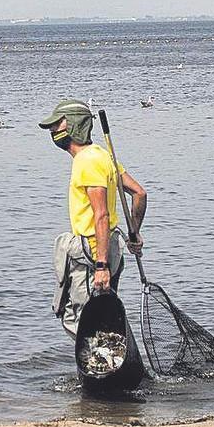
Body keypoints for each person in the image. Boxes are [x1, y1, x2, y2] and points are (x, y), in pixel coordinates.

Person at [38, 100, 147, 338]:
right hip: (111, 246)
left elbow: (101, 214)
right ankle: (111, 363)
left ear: (76, 125)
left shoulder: (87, 161)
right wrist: (133, 232)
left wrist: (101, 266)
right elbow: (139, 193)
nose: (53, 131)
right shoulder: (101, 155)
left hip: (94, 251)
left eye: (57, 125)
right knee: (101, 316)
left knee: (81, 318)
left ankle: (103, 369)